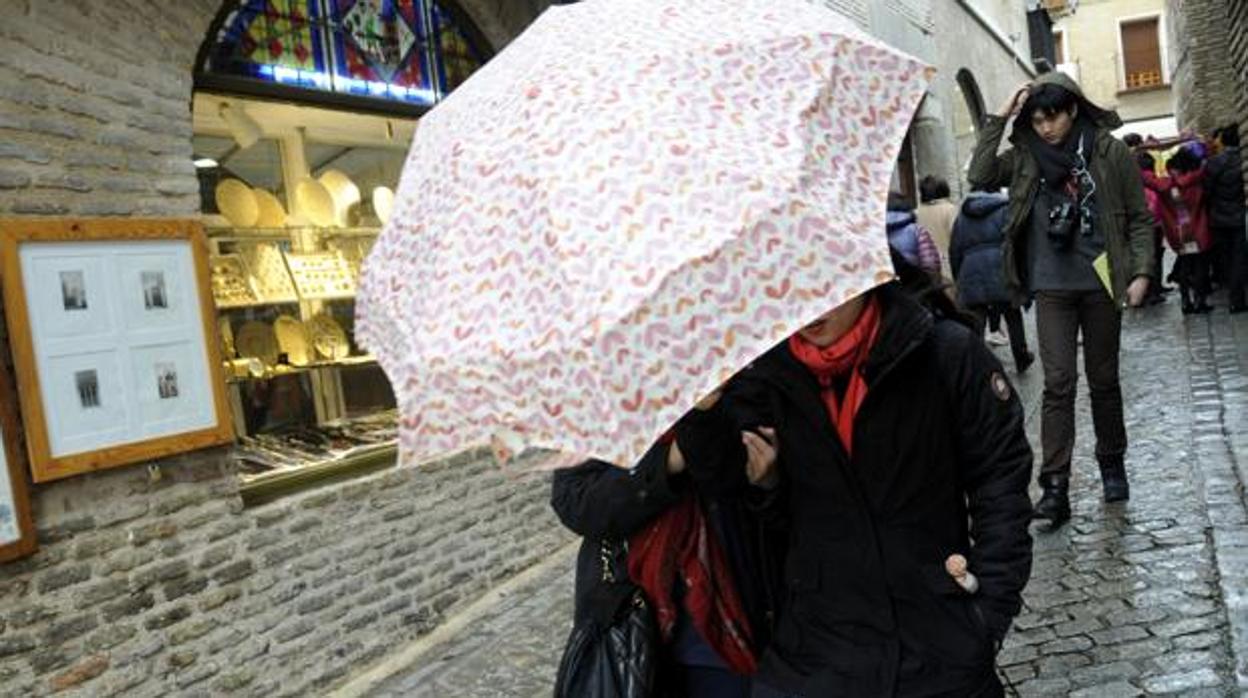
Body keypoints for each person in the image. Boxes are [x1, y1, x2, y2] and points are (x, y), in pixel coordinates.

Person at [716, 278, 1034, 698]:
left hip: (937, 650)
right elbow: (725, 483)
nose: (810, 305)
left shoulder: (942, 351)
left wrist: (986, 615)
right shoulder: (769, 376)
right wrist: (713, 420)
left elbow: (1000, 477)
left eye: (824, 283)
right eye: (789, 285)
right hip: (816, 655)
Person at [968, 72, 1155, 527]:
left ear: (1072, 110)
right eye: (1037, 119)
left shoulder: (1108, 152)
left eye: (1052, 117)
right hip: (1051, 286)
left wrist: (1142, 272)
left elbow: (1138, 218)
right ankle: (1055, 487)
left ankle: (1112, 463)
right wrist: (999, 116)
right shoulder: (1027, 155)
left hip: (1101, 281)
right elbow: (979, 174)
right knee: (1058, 384)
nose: (1046, 127)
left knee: (1104, 380)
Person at [551, 402, 784, 697]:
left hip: (736, 622)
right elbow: (576, 502)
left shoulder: (745, 386)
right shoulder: (604, 404)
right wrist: (668, 462)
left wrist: (768, 484)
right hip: (638, 625)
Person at [949, 189, 1036, 373]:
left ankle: (975, 362)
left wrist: (959, 277)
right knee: (1012, 314)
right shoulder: (1004, 210)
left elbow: (954, 249)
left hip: (970, 271)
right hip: (1001, 267)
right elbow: (1016, 242)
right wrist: (1020, 274)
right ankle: (1021, 357)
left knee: (975, 319)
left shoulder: (962, 216)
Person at [1141, 146, 1212, 314]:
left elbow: (1143, 175)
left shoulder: (1164, 185)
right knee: (1201, 266)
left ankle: (1185, 302)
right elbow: (1206, 159)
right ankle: (1200, 301)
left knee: (1185, 266)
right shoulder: (1197, 178)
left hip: (1179, 233)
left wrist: (1139, 149)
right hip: (1198, 229)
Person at [1206, 124, 1247, 313]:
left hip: (1219, 217)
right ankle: (1238, 299)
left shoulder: (1214, 162)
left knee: (1228, 259)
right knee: (1239, 257)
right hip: (1239, 215)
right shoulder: (1242, 160)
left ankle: (1233, 296)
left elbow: (1207, 190)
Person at [887, 192, 943, 279]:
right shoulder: (916, 230)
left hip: (888, 290)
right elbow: (931, 265)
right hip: (916, 287)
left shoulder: (874, 234)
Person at [917, 175, 959, 279]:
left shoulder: (916, 213)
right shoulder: (951, 210)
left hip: (922, 267)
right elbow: (958, 238)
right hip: (948, 266)